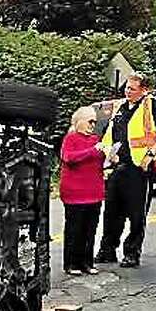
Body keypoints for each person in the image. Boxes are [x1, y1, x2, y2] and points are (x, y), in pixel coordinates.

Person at [95, 74, 156, 268]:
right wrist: (106, 153)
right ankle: (108, 250)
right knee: (112, 211)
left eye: (132, 88)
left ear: (144, 90)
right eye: (126, 88)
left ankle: (132, 252)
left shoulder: (152, 106)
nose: (127, 91)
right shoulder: (120, 108)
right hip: (117, 166)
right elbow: (108, 135)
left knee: (137, 214)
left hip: (139, 168)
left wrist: (151, 154)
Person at [59, 106, 106, 276]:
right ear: (79, 122)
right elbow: (69, 157)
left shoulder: (95, 139)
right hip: (75, 194)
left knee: (90, 230)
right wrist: (93, 151)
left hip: (94, 192)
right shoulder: (71, 138)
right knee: (74, 230)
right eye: (90, 121)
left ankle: (87, 262)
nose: (93, 125)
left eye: (95, 121)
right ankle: (71, 263)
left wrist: (111, 156)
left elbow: (101, 162)